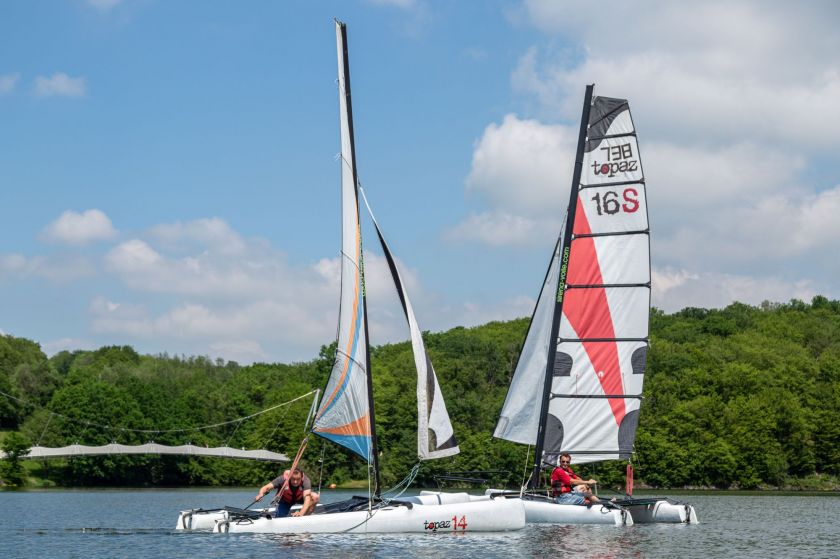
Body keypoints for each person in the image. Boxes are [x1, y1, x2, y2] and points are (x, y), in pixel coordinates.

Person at [255, 466, 320, 518]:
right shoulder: (282, 479)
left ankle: (304, 517)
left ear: (301, 477)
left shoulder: (306, 480)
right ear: (289, 477)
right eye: (293, 479)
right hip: (285, 501)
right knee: (280, 518)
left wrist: (300, 513)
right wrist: (260, 494)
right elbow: (266, 487)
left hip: (300, 498)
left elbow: (307, 498)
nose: (295, 482)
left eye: (298, 479)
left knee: (315, 497)